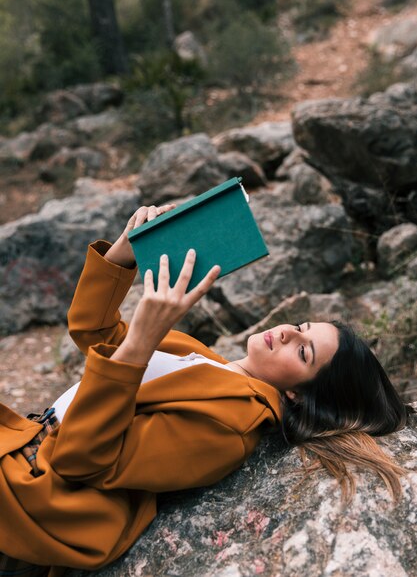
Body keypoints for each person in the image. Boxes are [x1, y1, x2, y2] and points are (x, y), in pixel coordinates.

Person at [0, 205, 412, 577]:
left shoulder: (232, 427)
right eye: (302, 327)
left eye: (303, 351)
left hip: (29, 504)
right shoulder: (206, 358)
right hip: (18, 452)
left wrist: (144, 337)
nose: (286, 331)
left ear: (298, 397)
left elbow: (82, 460)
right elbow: (95, 333)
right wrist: (124, 255)